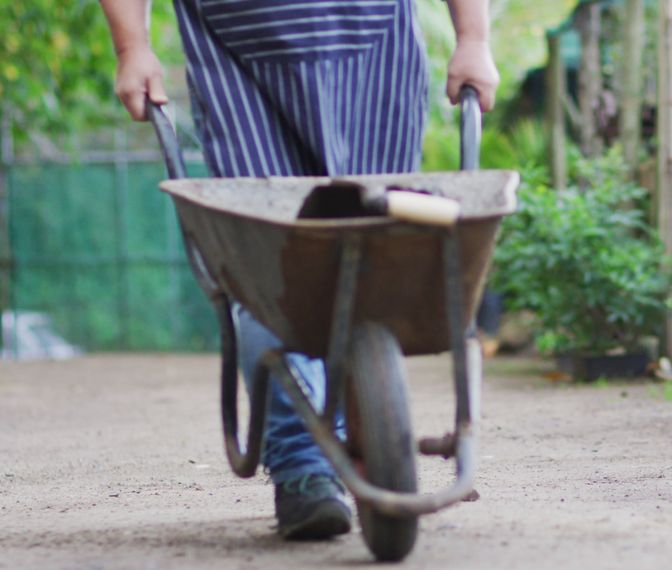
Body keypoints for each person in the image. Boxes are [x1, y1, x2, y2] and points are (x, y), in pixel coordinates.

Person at [100, 0, 499, 541]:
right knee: (271, 255)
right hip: (233, 50)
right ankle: (303, 464)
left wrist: (473, 36)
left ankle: (362, 433)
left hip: (372, 40)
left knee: (373, 236)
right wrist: (133, 47)